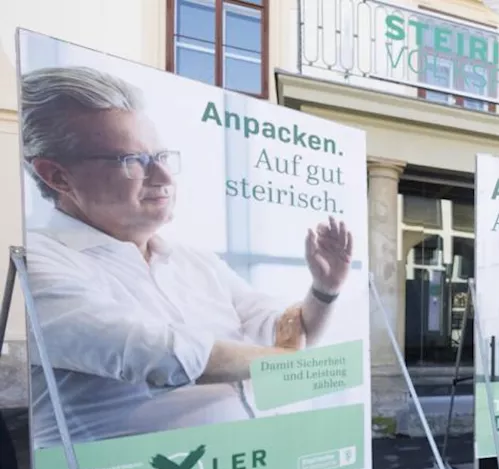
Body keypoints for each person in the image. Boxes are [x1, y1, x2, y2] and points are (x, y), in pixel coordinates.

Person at [20, 66, 352, 448]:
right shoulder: (39, 261)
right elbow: (162, 355)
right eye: (132, 160)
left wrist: (325, 289)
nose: (163, 176)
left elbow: (284, 332)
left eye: (160, 156)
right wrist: (300, 367)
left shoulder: (194, 259)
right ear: (57, 177)